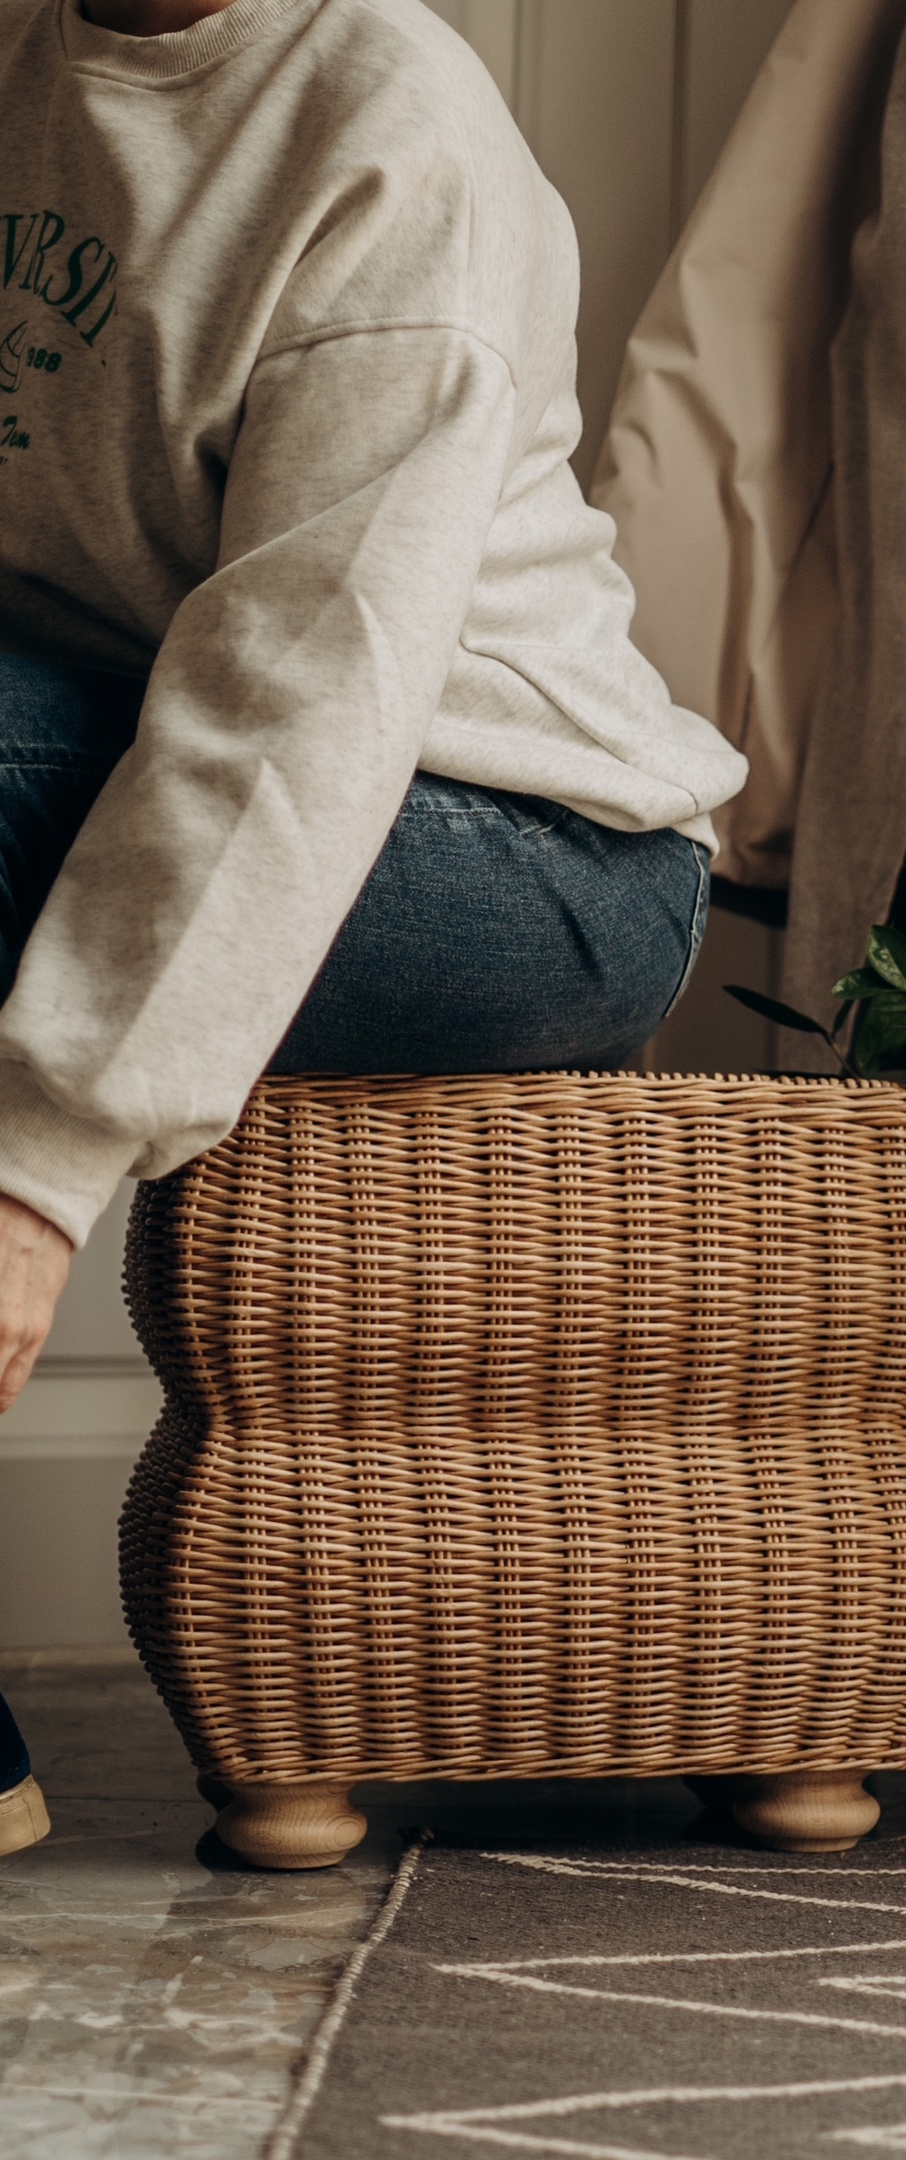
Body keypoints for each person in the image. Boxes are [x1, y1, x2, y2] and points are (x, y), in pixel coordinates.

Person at [0, 0, 747, 1855]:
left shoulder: (389, 130)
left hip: (532, 846)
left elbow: (292, 704)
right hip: (136, 732)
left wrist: (33, 1170)